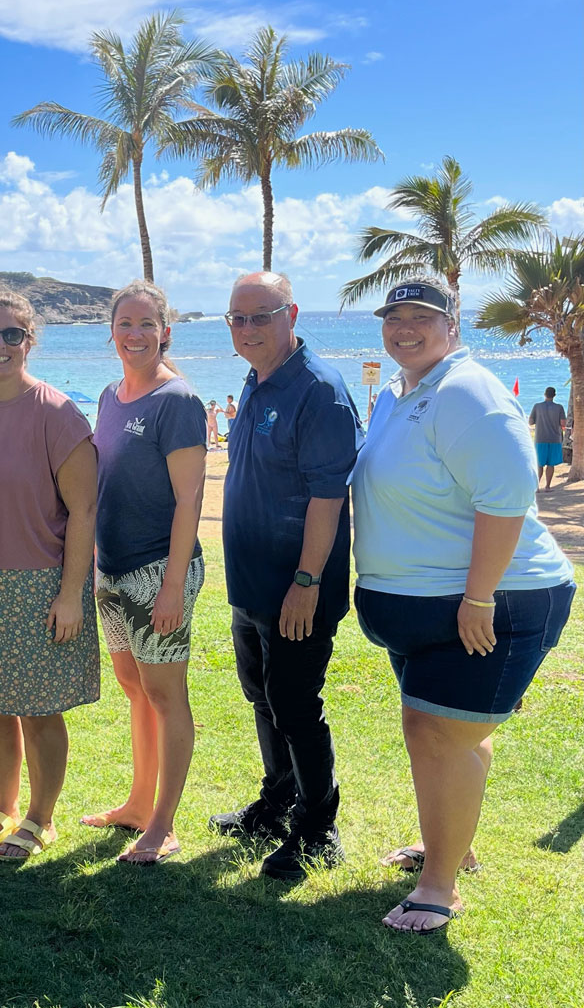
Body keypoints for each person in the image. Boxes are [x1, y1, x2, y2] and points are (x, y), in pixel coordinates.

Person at [353, 280, 575, 933]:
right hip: (427, 604)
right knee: (448, 736)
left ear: (453, 324)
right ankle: (453, 842)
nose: (405, 327)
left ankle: (439, 886)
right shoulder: (401, 393)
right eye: (395, 317)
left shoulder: (465, 392)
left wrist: (479, 595)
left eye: (423, 316)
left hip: (492, 600)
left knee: (438, 735)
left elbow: (506, 501)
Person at [210, 271, 362, 880]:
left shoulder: (319, 389)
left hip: (297, 587)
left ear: (292, 314)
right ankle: (277, 802)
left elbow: (329, 498)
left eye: (260, 316)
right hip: (251, 584)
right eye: (236, 319)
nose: (247, 329)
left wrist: (306, 582)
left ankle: (318, 828)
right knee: (263, 696)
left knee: (296, 704)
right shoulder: (257, 380)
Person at [0, 288, 100, 861]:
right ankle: (3, 807)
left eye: (13, 334)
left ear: (29, 342)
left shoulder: (57, 412)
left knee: (39, 711)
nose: (0, 344)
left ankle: (41, 817)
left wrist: (70, 596)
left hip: (41, 585)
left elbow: (84, 510)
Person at [83, 282, 207, 863]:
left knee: (164, 694)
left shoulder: (176, 400)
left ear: (164, 332)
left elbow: (189, 500)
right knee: (134, 689)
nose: (134, 335)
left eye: (145, 325)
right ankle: (137, 804)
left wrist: (174, 586)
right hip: (112, 567)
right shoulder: (110, 396)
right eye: (124, 324)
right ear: (112, 332)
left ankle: (164, 823)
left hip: (158, 567)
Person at [529, 386, 568, 489]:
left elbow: (531, 422)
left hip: (540, 438)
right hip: (555, 439)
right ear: (554, 396)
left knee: (539, 464)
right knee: (551, 464)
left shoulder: (537, 406)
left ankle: (537, 487)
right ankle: (547, 486)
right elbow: (563, 423)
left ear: (544, 394)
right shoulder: (559, 407)